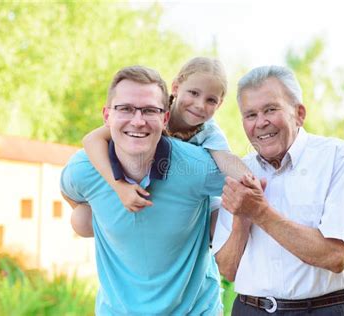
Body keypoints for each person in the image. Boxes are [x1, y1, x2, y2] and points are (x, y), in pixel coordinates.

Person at [60, 65, 227, 315]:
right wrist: (109, 207)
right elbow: (69, 191)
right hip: (117, 310)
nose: (137, 121)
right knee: (80, 219)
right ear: (107, 116)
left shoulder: (198, 166)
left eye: (149, 110)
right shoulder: (84, 168)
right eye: (125, 109)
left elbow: (249, 188)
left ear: (165, 117)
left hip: (195, 309)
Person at [213, 66, 344, 315]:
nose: (261, 122)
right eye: (250, 115)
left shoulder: (337, 157)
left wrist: (259, 212)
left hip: (322, 310)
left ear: (299, 113)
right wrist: (242, 217)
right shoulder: (240, 171)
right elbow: (227, 269)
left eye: (270, 110)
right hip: (250, 310)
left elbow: (335, 257)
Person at [70, 57, 250, 237]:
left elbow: (225, 158)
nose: (199, 105)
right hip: (143, 183)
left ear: (220, 104)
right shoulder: (152, 112)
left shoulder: (209, 132)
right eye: (194, 93)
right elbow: (92, 139)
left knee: (225, 221)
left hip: (189, 197)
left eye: (211, 100)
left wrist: (251, 179)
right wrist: (119, 186)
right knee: (81, 220)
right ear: (176, 87)